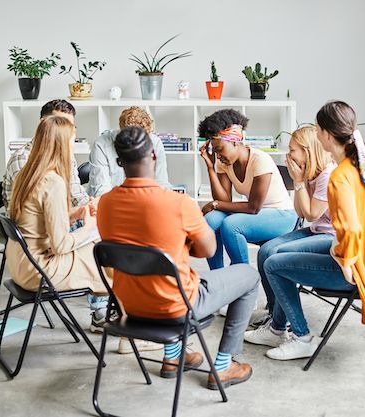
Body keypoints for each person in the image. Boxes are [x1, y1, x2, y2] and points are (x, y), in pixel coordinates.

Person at [97, 126, 260, 389]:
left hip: (129, 307)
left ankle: (174, 357)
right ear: (153, 156)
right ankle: (224, 366)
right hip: (176, 307)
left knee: (179, 276)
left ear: (119, 162)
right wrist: (181, 245)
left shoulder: (105, 203)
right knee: (249, 276)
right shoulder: (178, 203)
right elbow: (207, 250)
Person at [259, 101, 365, 361]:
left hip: (358, 269)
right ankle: (278, 328)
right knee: (274, 255)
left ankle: (301, 338)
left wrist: (345, 259)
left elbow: (349, 228)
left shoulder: (341, 176)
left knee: (273, 265)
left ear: (324, 134)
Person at [6, 116, 109, 320]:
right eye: (72, 141)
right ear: (61, 146)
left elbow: (36, 221)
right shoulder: (53, 182)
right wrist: (88, 228)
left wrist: (75, 214)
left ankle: (106, 314)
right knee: (107, 256)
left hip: (20, 264)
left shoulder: (26, 174)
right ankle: (112, 319)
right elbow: (60, 246)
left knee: (98, 250)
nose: (73, 147)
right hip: (40, 271)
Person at [245, 126, 336, 335]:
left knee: (277, 256)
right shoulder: (311, 174)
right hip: (315, 230)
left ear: (308, 151)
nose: (289, 154)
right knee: (266, 250)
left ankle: (280, 324)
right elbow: (300, 212)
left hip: (330, 236)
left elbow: (311, 213)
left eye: (293, 149)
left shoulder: (327, 175)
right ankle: (274, 313)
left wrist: (297, 181)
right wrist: (301, 181)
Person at [198, 109, 297, 270]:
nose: (218, 155)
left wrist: (215, 204)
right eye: (214, 151)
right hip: (255, 215)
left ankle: (242, 277)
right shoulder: (223, 163)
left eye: (220, 149)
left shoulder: (260, 159)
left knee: (231, 225)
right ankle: (217, 277)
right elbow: (225, 201)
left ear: (235, 142)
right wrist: (210, 167)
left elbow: (253, 207)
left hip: (282, 215)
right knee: (211, 221)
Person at [2, 99, 89, 211]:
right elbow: (40, 209)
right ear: (43, 124)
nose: (65, 133)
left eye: (70, 127)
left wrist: (89, 206)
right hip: (38, 224)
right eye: (59, 124)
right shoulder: (22, 159)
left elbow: (76, 194)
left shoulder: (66, 154)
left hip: (61, 217)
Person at [88, 106, 170, 197]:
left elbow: (162, 183)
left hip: (145, 201)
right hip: (112, 203)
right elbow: (101, 192)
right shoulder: (102, 145)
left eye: (144, 139)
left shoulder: (155, 142)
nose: (140, 144)